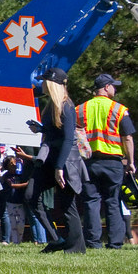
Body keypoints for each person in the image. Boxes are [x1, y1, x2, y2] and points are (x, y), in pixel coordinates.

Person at [24, 67, 87, 254]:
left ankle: (76, 249)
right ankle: (56, 238)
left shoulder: (66, 105)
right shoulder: (51, 105)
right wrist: (41, 129)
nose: (41, 84)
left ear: (52, 84)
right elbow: (55, 132)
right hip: (50, 158)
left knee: (67, 204)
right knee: (30, 195)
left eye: (44, 81)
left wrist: (59, 167)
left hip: (65, 161)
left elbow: (69, 138)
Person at [76, 73, 135, 249]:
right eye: (114, 86)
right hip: (113, 162)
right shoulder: (119, 109)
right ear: (107, 87)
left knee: (91, 201)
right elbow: (128, 138)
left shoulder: (80, 109)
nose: (115, 89)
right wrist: (130, 161)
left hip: (89, 162)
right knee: (113, 201)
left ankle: (93, 243)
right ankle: (115, 243)